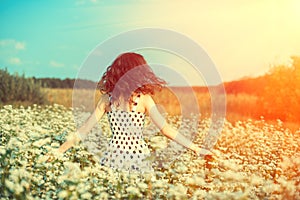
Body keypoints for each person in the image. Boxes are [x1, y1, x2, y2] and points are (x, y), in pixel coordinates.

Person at [55, 52, 212, 173]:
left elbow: (83, 130)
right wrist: (197, 149)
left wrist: (58, 152)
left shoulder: (107, 99)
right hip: (138, 156)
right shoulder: (144, 99)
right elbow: (166, 129)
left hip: (113, 156)